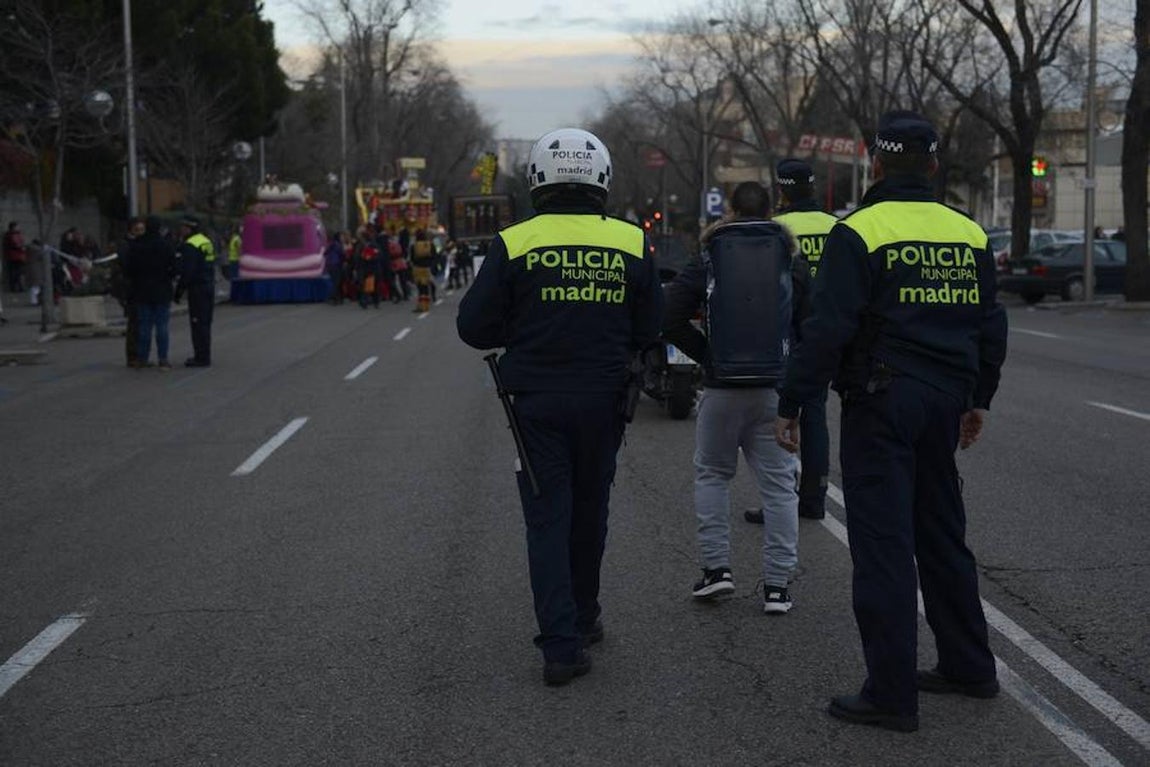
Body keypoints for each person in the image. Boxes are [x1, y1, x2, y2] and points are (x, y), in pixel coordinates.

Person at [775, 111, 1008, 733]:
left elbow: (829, 328)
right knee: (941, 536)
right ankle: (969, 665)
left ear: (875, 164)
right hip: (946, 400)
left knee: (882, 546)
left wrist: (792, 401)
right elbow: (991, 324)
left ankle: (890, 693)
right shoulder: (968, 232)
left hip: (883, 403)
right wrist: (978, 397)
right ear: (932, 164)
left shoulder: (861, 232)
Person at [457, 127, 663, 686]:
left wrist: (521, 328)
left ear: (538, 180)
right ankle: (585, 612)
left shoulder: (514, 241)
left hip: (537, 402)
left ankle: (561, 645)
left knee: (549, 516)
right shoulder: (631, 241)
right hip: (604, 399)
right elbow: (651, 329)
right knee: (591, 508)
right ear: (602, 179)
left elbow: (473, 328)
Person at [661, 181, 808, 613]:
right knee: (780, 487)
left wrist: (708, 356)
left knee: (712, 475)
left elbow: (668, 315)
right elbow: (810, 326)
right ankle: (778, 586)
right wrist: (794, 382)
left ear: (728, 210)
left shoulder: (709, 256)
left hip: (723, 388)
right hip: (773, 392)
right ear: (773, 210)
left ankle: (716, 571)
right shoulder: (788, 258)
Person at [745, 159, 839, 526]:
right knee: (815, 416)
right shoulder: (836, 226)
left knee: (780, 418)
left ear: (781, 190)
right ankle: (814, 498)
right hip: (829, 332)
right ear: (812, 187)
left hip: (786, 333)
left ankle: (780, 501)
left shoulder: (777, 230)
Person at [126, 216, 177, 370]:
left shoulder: (137, 245)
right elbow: (173, 268)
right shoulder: (165, 245)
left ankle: (142, 358)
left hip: (142, 290)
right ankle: (163, 359)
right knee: (162, 326)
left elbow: (130, 268)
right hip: (162, 290)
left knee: (144, 327)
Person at [175, 216, 217, 367]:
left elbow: (188, 271)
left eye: (183, 226)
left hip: (197, 288)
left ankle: (201, 357)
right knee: (205, 322)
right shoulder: (205, 241)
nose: (180, 229)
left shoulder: (190, 245)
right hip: (208, 286)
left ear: (189, 228)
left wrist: (179, 291)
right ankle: (204, 354)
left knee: (198, 323)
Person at [111, 217, 146, 366]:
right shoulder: (126, 246)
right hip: (130, 289)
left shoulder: (139, 244)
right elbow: (126, 267)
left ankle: (139, 355)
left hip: (139, 287)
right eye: (137, 230)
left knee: (139, 323)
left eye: (142, 230)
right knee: (134, 323)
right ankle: (133, 356)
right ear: (131, 230)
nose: (140, 233)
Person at [409, 229, 436, 313]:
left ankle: (420, 306)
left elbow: (412, 258)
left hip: (417, 268)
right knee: (426, 287)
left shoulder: (414, 246)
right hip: (427, 268)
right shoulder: (430, 245)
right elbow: (434, 255)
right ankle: (426, 306)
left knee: (420, 288)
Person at [3, 221, 27, 295]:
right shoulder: (11, 235)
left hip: (17, 256)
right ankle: (16, 287)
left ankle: (18, 287)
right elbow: (15, 244)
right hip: (15, 256)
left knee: (18, 273)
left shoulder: (14, 234)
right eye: (17, 226)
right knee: (16, 273)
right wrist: (21, 247)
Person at [324, 231, 346, 305]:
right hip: (336, 265)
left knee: (334, 282)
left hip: (330, 265)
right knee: (337, 282)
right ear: (338, 237)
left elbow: (325, 253)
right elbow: (342, 255)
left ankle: (336, 298)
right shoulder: (338, 245)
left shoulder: (331, 244)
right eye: (342, 236)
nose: (343, 238)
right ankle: (332, 298)